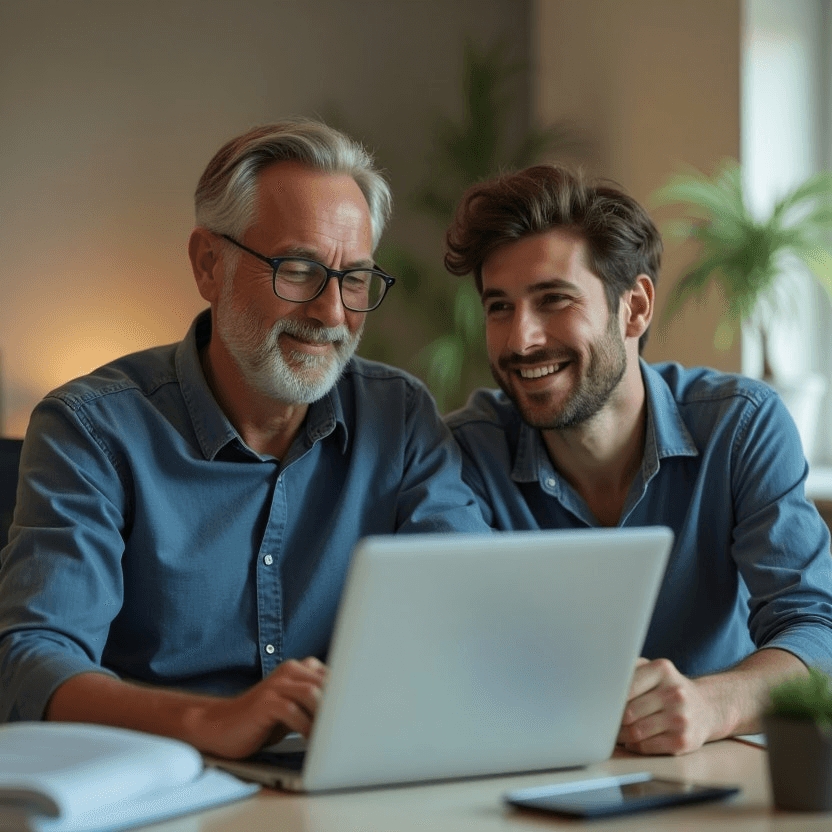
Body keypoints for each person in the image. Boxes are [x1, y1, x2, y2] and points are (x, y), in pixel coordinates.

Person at [0, 119, 488, 758]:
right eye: (298, 270)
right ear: (209, 264)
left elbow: (478, 614)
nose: (332, 313)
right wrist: (212, 721)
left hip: (348, 783)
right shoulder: (91, 429)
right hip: (163, 785)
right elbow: (31, 662)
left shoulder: (398, 417)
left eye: (356, 279)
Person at [443, 164, 832, 755]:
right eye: (500, 307)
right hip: (532, 778)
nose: (521, 340)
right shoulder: (464, 454)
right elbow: (459, 654)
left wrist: (709, 705)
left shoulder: (741, 426)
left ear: (635, 307)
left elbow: (817, 632)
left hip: (710, 772)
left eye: (554, 299)